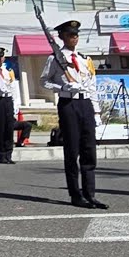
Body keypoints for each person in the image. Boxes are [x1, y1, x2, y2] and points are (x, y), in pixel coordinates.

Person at [41, 20, 107, 210]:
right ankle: (75, 194)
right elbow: (44, 81)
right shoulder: (55, 58)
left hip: (86, 104)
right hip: (68, 104)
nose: (74, 38)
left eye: (76, 34)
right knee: (72, 151)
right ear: (62, 37)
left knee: (89, 150)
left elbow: (92, 86)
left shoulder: (85, 59)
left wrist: (96, 111)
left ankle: (90, 194)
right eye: (70, 34)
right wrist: (62, 87)